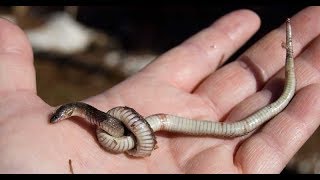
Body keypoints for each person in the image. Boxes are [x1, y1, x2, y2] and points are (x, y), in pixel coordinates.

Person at [0, 6, 320, 174]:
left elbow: (121, 131)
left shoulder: (111, 126)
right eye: (63, 114)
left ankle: (290, 61)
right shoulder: (109, 131)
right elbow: (121, 135)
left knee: (246, 124)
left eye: (63, 114)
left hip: (141, 129)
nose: (59, 117)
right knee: (240, 126)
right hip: (139, 132)